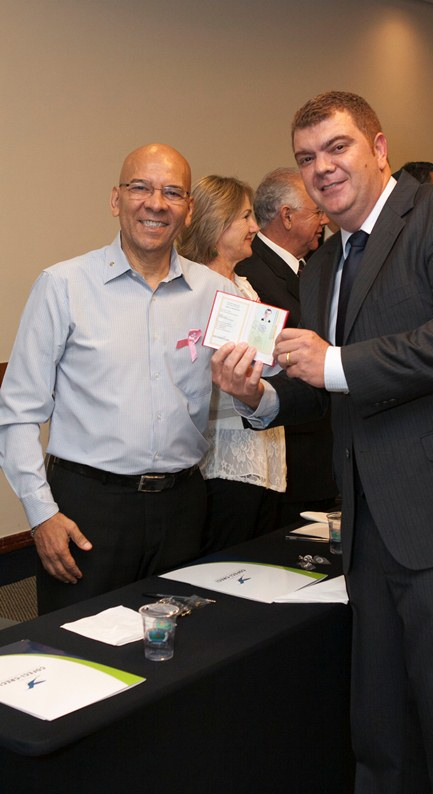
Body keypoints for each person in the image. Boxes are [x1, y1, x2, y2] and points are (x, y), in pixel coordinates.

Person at [212, 91, 433, 794]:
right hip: (369, 531)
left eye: (337, 147)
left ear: (379, 148)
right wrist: (257, 397)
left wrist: (331, 363)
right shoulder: (324, 264)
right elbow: (320, 384)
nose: (322, 167)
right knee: (382, 736)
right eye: (306, 158)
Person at [0, 143, 236, 614]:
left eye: (172, 192)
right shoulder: (63, 286)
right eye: (140, 188)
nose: (156, 203)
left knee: (181, 645)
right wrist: (42, 514)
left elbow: (257, 389)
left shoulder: (218, 293)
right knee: (79, 646)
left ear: (188, 210)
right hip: (89, 510)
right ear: (116, 199)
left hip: (183, 507)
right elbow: (17, 412)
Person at [179, 176, 286, 552]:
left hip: (260, 447)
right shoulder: (192, 289)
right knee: (228, 562)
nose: (255, 226)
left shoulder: (244, 285)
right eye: (245, 216)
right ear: (216, 222)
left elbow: (264, 364)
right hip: (223, 456)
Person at [236, 167, 337, 525]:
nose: (324, 220)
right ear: (287, 216)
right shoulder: (249, 274)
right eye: (317, 211)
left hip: (321, 452)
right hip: (292, 458)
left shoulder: (315, 266)